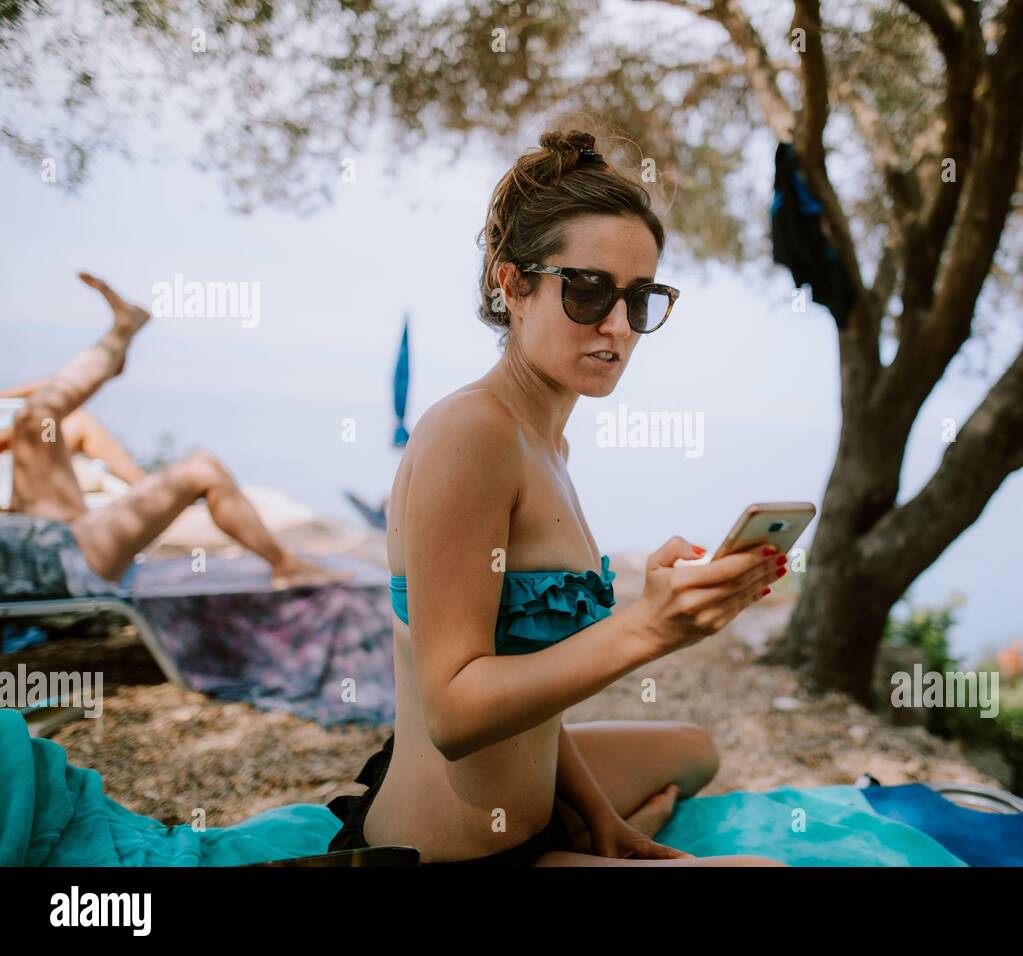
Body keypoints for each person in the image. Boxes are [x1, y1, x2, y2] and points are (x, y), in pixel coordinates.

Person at [326, 127, 789, 866]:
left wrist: (606, 821)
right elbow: (452, 709)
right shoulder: (469, 435)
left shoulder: (549, 443)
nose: (616, 326)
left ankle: (579, 836)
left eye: (640, 300)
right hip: (454, 856)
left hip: (532, 813)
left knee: (695, 753)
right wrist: (647, 628)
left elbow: (530, 699)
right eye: (588, 290)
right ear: (513, 286)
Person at [0, 272, 349, 597]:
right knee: (203, 468)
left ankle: (117, 343)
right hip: (60, 563)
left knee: (36, 418)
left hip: (36, 533)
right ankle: (286, 566)